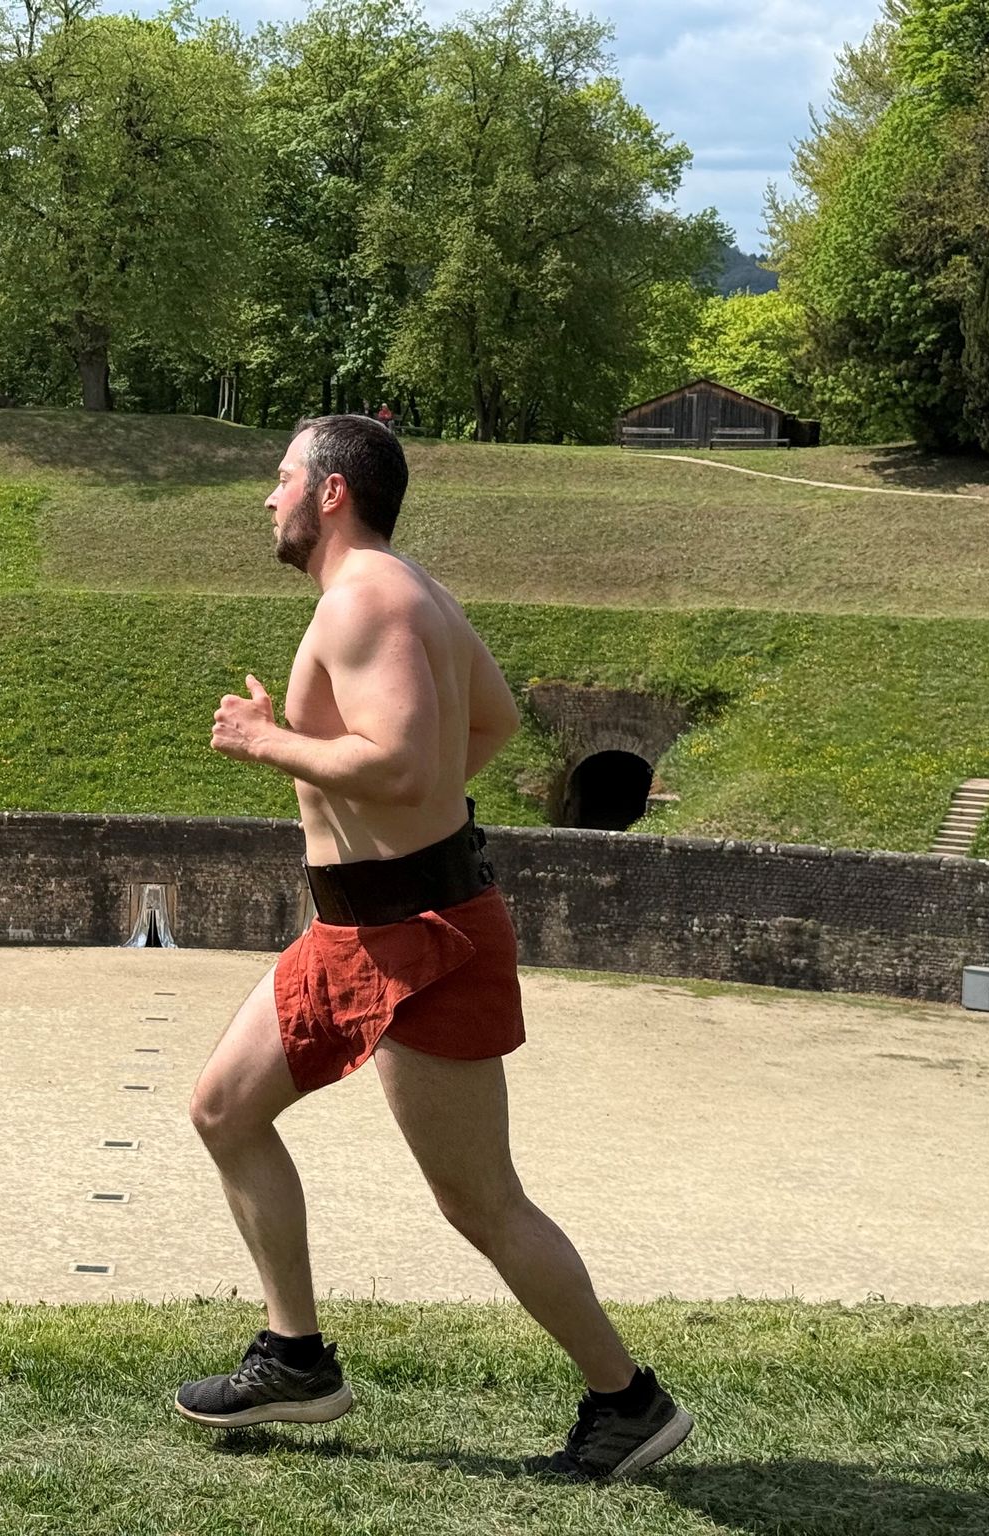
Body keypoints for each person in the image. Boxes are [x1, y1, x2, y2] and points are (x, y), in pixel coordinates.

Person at [176, 414, 693, 1482]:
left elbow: (410, 770)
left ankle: (626, 1402)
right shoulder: (401, 594)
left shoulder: (368, 597)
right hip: (361, 924)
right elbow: (489, 725)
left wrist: (266, 742)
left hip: (419, 936)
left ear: (329, 494)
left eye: (279, 479)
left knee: (479, 1202)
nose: (263, 498)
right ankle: (294, 1357)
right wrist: (326, 760)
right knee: (224, 1108)